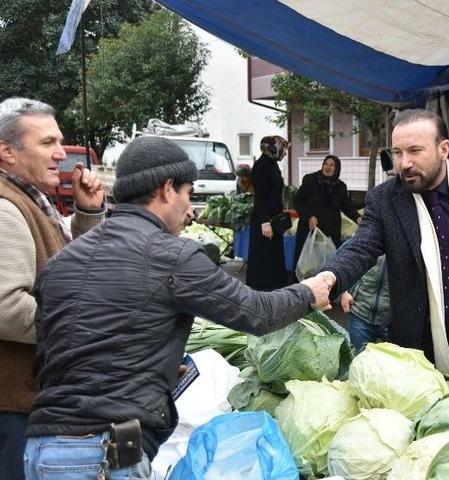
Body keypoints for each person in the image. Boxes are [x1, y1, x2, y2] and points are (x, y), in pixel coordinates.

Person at [24, 136, 331, 479]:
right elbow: (257, 313)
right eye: (187, 193)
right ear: (167, 189)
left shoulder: (62, 261)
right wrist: (308, 292)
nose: (190, 210)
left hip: (41, 448)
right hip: (103, 453)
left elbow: (53, 353)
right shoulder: (172, 255)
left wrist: (159, 367)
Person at [316, 109, 449, 411]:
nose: (404, 163)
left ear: (443, 149)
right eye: (397, 152)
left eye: (415, 151)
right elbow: (360, 247)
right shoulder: (384, 200)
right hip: (423, 362)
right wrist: (329, 277)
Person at [0, 97, 105, 480]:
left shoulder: (30, 199)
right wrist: (84, 327)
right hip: (13, 405)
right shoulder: (5, 210)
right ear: (7, 152)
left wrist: (88, 213)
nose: (61, 153)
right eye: (47, 143)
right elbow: (7, 310)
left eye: (59, 141)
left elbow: (71, 271)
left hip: (29, 399)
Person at [294, 154, 362, 267]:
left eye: (331, 165)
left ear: (336, 169)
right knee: (306, 267)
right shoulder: (310, 180)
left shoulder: (340, 186)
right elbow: (298, 202)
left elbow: (347, 206)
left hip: (330, 232)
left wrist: (357, 217)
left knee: (327, 266)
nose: (327, 167)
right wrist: (309, 216)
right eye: (325, 164)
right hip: (309, 230)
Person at [247, 136, 290, 291]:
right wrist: (264, 221)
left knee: (273, 257)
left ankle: (273, 291)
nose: (285, 153)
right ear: (272, 148)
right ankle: (262, 294)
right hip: (264, 219)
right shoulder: (261, 166)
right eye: (283, 148)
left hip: (274, 218)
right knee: (264, 258)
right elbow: (260, 196)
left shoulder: (272, 164)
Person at [340, 254, 390, 351]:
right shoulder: (368, 244)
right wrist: (344, 291)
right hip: (360, 311)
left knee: (398, 359)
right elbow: (344, 259)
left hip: (392, 318)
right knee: (358, 356)